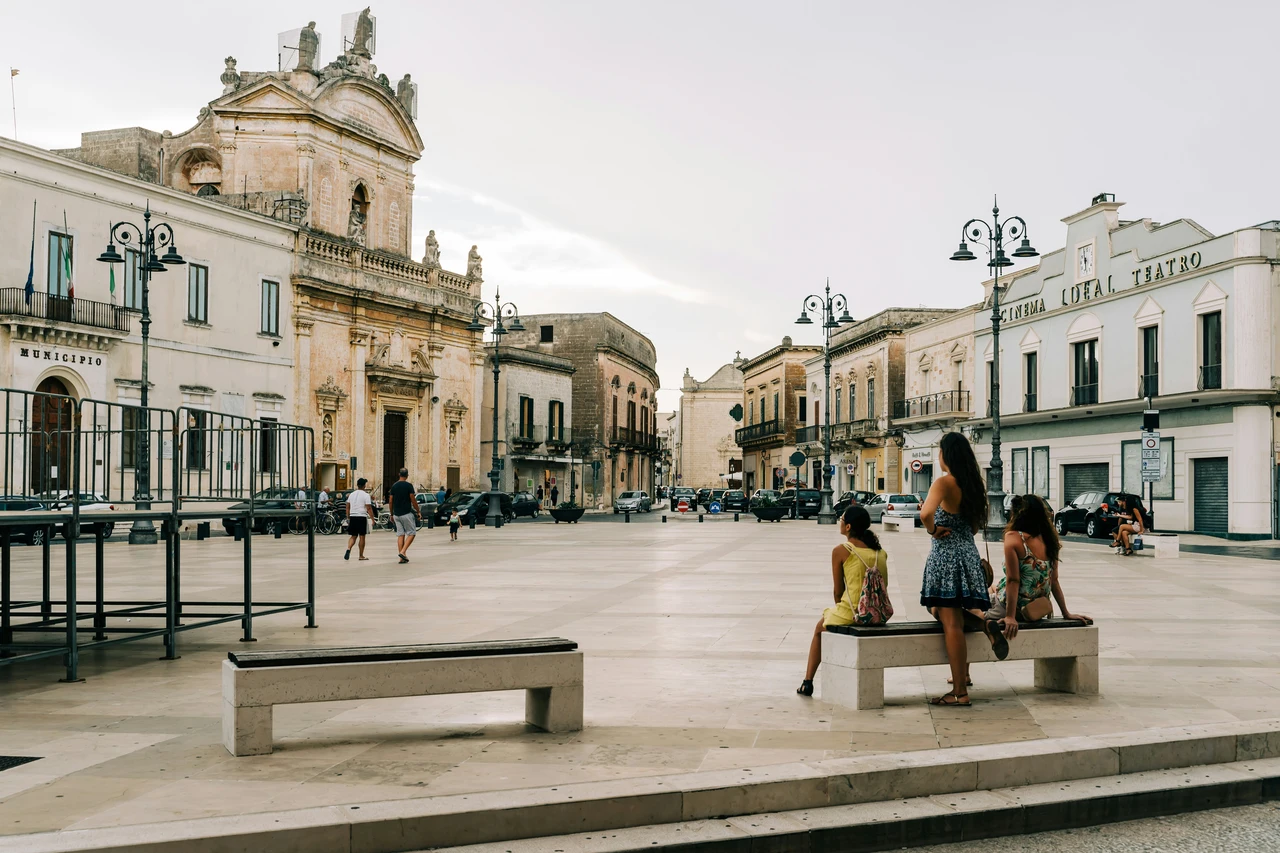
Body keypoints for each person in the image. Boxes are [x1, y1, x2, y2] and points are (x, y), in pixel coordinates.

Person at [957, 494, 1094, 687]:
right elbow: (1054, 581)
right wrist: (1066, 612)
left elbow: (1014, 580)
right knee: (992, 590)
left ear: (1017, 514)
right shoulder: (1049, 539)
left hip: (1012, 607)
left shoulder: (1014, 538)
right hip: (1036, 608)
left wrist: (1011, 617)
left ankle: (963, 675)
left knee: (968, 613)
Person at [919, 431, 992, 707]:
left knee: (950, 623)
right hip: (968, 554)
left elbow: (925, 514)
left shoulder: (944, 482)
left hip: (946, 556)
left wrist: (934, 529)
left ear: (946, 455)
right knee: (956, 618)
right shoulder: (973, 485)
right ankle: (983, 625)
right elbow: (973, 526)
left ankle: (959, 692)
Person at [797, 504, 889, 696]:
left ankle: (807, 682)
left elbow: (838, 591)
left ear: (848, 527)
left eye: (842, 519)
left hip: (853, 612)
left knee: (819, 629)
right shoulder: (880, 552)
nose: (840, 522)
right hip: (878, 613)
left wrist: (841, 608)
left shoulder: (841, 550)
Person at [386, 468, 420, 564]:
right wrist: (418, 511)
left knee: (400, 534)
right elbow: (413, 499)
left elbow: (391, 500)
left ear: (399, 474)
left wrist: (391, 513)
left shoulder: (394, 486)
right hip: (406, 513)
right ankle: (403, 551)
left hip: (396, 514)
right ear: (407, 475)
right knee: (412, 533)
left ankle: (402, 558)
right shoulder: (409, 486)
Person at [345, 478, 373, 561]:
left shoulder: (351, 494)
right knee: (362, 536)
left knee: (353, 536)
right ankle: (361, 555)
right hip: (361, 516)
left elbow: (347, 507)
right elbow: (368, 508)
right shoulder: (366, 495)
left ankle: (348, 548)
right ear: (364, 485)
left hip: (353, 516)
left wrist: (348, 516)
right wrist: (372, 519)